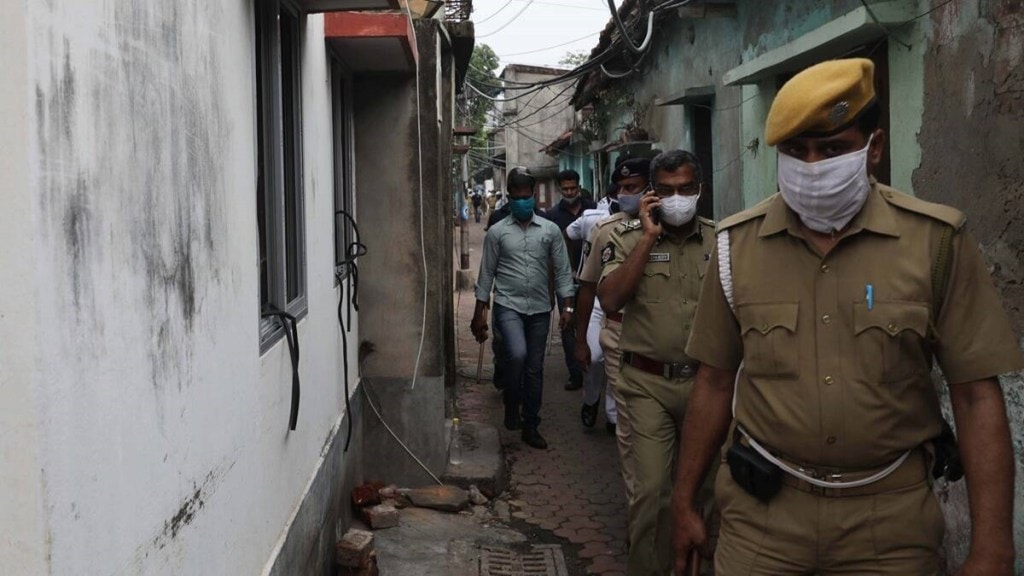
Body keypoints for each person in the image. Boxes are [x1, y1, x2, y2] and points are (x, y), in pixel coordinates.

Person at [671, 58, 1024, 576]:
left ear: (873, 148)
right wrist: (683, 503)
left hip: (893, 523)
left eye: (832, 149)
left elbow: (975, 395)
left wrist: (993, 547)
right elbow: (714, 382)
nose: (812, 166)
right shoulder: (736, 247)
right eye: (795, 151)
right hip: (762, 519)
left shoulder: (935, 242)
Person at [597, 150, 716, 576]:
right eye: (666, 191)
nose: (677, 198)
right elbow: (610, 299)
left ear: (700, 190)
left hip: (709, 386)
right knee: (651, 492)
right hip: (647, 384)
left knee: (711, 491)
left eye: (685, 189)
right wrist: (648, 238)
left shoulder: (722, 241)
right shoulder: (626, 238)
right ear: (652, 194)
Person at [472, 167, 576, 450]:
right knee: (516, 354)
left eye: (526, 196)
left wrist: (568, 309)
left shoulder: (551, 230)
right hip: (508, 305)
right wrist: (479, 313)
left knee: (535, 367)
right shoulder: (497, 232)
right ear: (509, 197)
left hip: (541, 308)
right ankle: (511, 401)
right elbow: (486, 273)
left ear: (533, 197)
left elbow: (564, 271)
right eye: (516, 197)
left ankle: (531, 424)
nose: (522, 201)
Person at [543, 169, 597, 391]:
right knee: (568, 324)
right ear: (559, 189)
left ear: (578, 185)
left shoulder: (593, 210)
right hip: (565, 278)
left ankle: (593, 367)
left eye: (573, 188)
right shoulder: (553, 216)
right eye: (565, 189)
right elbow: (548, 252)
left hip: (593, 278)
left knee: (593, 321)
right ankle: (575, 373)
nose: (569, 192)